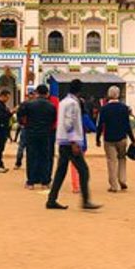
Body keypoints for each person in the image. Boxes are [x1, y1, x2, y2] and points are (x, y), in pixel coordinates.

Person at [47, 80, 99, 211]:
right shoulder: (72, 103)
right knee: (83, 170)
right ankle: (85, 200)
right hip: (70, 143)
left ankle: (51, 199)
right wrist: (73, 141)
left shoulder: (63, 101)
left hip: (63, 141)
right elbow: (69, 123)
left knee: (61, 171)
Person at [96, 86, 135, 193]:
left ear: (109, 95)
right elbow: (127, 126)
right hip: (122, 138)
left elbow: (100, 125)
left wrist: (97, 138)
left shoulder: (104, 109)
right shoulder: (124, 108)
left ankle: (114, 185)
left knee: (111, 161)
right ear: (118, 95)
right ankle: (122, 179)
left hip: (109, 139)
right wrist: (133, 140)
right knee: (122, 159)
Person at [20, 85, 57, 189]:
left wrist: (25, 125)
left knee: (31, 156)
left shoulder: (29, 104)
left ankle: (31, 182)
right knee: (45, 157)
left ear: (37, 92)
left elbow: (21, 115)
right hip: (46, 134)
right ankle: (45, 182)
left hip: (31, 133)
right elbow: (53, 119)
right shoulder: (51, 106)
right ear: (47, 93)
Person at [14, 87, 37, 170]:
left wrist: (21, 123)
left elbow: (19, 115)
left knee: (22, 146)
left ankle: (18, 163)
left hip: (26, 127)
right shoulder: (34, 105)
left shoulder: (23, 104)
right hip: (29, 128)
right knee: (26, 146)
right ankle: (20, 163)